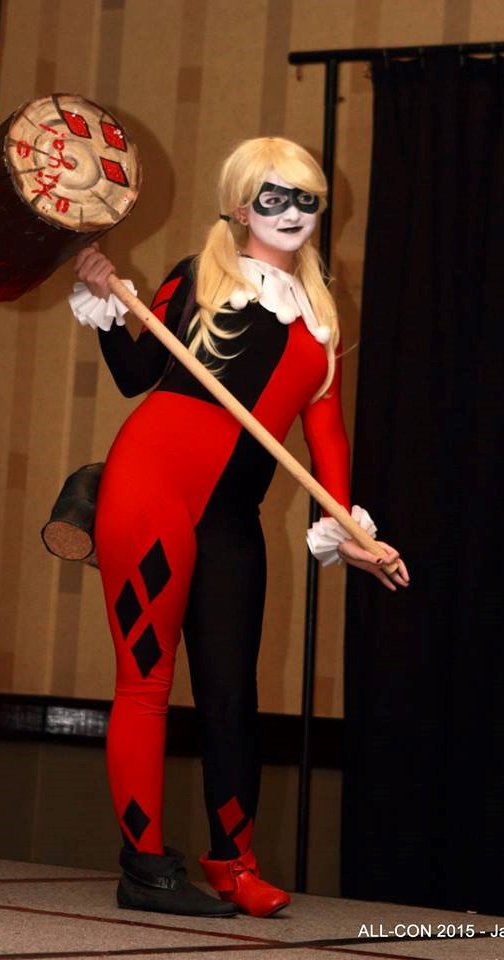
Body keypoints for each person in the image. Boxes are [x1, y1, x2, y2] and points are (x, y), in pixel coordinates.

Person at [69, 136, 409, 919]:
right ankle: (143, 867)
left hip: (231, 515)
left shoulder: (321, 322)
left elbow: (327, 439)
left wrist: (349, 528)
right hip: (148, 487)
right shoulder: (196, 277)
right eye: (272, 197)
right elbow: (134, 375)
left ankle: (234, 862)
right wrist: (100, 299)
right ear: (239, 205)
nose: (290, 212)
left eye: (305, 199)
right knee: (145, 680)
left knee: (231, 691)